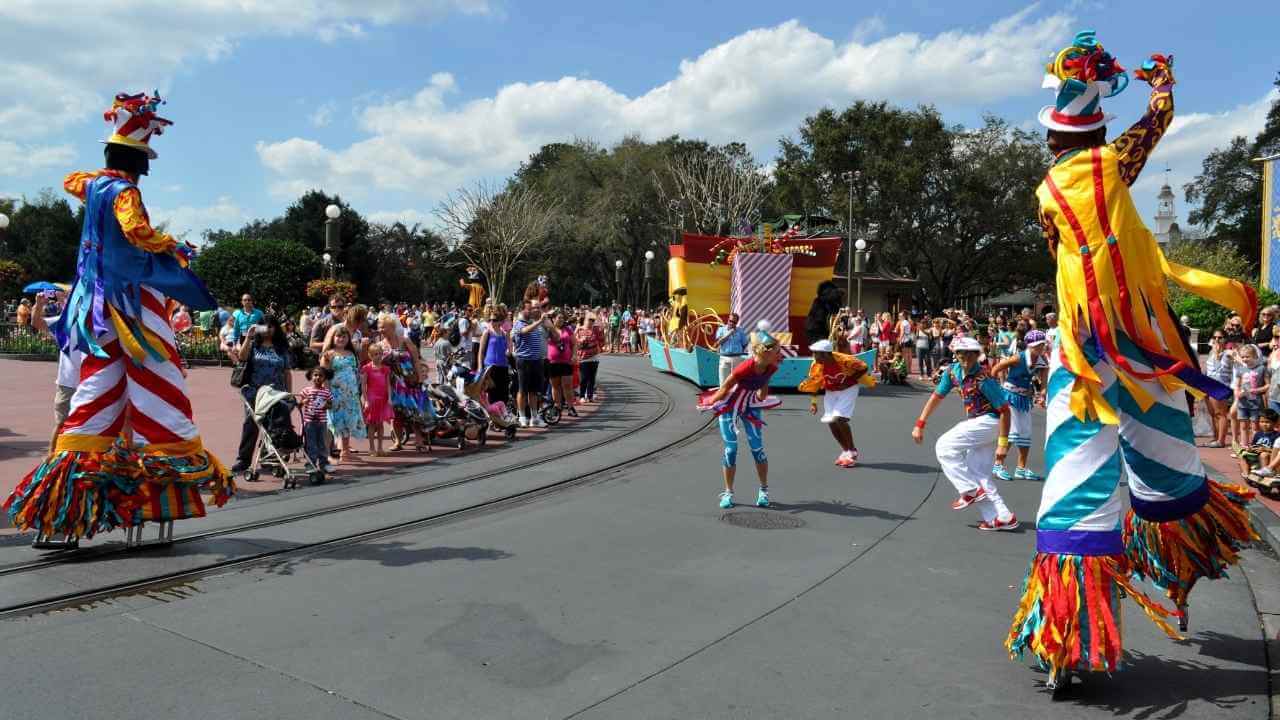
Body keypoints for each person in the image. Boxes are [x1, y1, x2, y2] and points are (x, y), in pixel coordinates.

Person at [1007, 39, 1257, 686]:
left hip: (1084, 351)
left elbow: (1059, 250)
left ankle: (1071, 619)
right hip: (1143, 342)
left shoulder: (1044, 194)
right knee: (1165, 455)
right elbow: (1156, 124)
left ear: (1052, 143)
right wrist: (1162, 86)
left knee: (1075, 476)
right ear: (1095, 132)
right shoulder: (1113, 165)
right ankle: (1177, 550)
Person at [5, 91, 233, 544]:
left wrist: (105, 167)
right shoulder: (126, 193)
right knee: (157, 389)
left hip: (94, 307)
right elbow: (137, 231)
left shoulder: (91, 185)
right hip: (130, 306)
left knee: (92, 400)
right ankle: (161, 497)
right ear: (138, 163)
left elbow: (72, 180)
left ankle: (64, 504)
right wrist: (173, 246)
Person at [911, 336, 1018, 531]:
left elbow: (1004, 410)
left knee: (944, 446)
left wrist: (1003, 444)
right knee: (978, 473)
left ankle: (968, 490)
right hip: (977, 423)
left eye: (970, 354)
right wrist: (920, 423)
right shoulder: (952, 372)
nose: (965, 358)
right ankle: (1002, 516)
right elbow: (937, 396)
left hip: (990, 422)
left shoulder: (984, 379)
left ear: (977, 355)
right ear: (956, 354)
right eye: (961, 353)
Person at [701, 329, 781, 509]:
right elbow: (724, 389)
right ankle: (728, 492)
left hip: (750, 407)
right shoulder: (744, 368)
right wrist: (709, 403)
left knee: (757, 450)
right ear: (766, 352)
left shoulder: (771, 367)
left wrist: (763, 392)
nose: (780, 355)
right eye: (777, 351)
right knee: (731, 449)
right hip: (730, 406)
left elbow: (761, 394)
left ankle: (764, 491)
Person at [799, 339, 876, 468]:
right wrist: (813, 402)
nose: (814, 356)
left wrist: (849, 380)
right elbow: (814, 383)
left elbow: (863, 367)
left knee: (839, 419)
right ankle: (846, 450)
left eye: (816, 354)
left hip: (848, 389)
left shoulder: (844, 360)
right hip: (831, 391)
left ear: (825, 354)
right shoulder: (816, 365)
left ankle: (852, 450)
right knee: (830, 421)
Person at [232, 317, 295, 473]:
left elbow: (287, 372)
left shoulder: (281, 348)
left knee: (274, 424)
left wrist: (289, 393)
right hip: (256, 391)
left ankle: (271, 458)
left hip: (276, 392)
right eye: (265, 326)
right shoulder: (254, 345)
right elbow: (242, 357)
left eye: (272, 326)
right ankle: (243, 459)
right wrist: (248, 337)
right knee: (251, 423)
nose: (268, 329)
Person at [990, 329, 1049, 481]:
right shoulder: (1018, 357)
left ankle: (1021, 468)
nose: (1040, 348)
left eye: (1042, 345)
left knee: (1026, 432)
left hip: (1024, 399)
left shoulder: (1042, 360)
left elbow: (1044, 381)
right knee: (1012, 431)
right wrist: (993, 389)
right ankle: (998, 465)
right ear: (1030, 346)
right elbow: (996, 369)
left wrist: (1042, 395)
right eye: (1037, 345)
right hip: (1009, 396)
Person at [379, 313, 433, 451]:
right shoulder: (380, 345)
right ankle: (398, 441)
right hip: (392, 384)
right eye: (379, 327)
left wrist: (420, 378)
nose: (381, 330)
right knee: (396, 413)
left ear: (392, 327)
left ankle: (419, 441)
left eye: (383, 327)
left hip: (410, 381)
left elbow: (416, 359)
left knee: (414, 411)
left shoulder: (405, 340)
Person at [321, 325, 367, 464]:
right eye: (338, 336)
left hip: (350, 394)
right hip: (335, 394)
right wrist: (327, 394)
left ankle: (345, 452)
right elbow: (324, 376)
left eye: (344, 336)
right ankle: (326, 454)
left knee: (347, 422)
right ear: (333, 338)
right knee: (333, 423)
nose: (341, 339)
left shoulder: (351, 354)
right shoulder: (328, 355)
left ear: (348, 339)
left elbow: (356, 372)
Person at [512, 304, 551, 428]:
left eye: (534, 308)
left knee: (534, 391)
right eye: (529, 309)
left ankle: (534, 418)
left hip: (536, 360)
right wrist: (540, 321)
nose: (533, 311)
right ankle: (522, 416)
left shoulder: (534, 323)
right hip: (524, 360)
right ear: (522, 310)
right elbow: (524, 331)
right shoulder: (519, 323)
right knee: (523, 390)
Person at [361, 342, 394, 457]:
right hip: (372, 399)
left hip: (383, 398)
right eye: (375, 354)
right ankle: (371, 448)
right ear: (370, 355)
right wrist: (365, 400)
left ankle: (380, 447)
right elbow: (363, 386)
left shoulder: (385, 369)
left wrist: (390, 398)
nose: (378, 356)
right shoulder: (367, 368)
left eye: (380, 354)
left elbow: (388, 385)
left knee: (380, 424)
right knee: (371, 424)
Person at [297, 367, 333, 474]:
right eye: (315, 375)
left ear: (325, 378)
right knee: (311, 444)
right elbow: (298, 405)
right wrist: (304, 401)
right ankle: (310, 464)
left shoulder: (326, 392)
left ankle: (324, 464)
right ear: (311, 376)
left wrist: (326, 405)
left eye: (320, 376)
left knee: (322, 443)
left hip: (322, 422)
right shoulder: (306, 391)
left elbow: (331, 405)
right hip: (309, 422)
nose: (317, 377)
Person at [1232, 343, 1268, 448]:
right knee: (1243, 425)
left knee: (1255, 426)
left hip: (1256, 403)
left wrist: (1256, 390)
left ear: (1255, 357)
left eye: (1247, 357)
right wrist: (1237, 393)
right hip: (1243, 403)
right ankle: (1244, 447)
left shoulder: (1261, 368)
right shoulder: (1240, 369)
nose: (1244, 359)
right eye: (1242, 357)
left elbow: (1267, 385)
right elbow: (1237, 385)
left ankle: (1255, 447)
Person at [1203, 331, 1235, 448]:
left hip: (1220, 386)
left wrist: (1218, 355)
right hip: (1209, 384)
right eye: (1214, 337)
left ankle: (1221, 440)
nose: (1217, 340)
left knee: (1220, 413)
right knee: (1213, 414)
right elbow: (1208, 370)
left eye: (1220, 337)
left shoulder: (1228, 353)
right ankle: (1215, 438)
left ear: (1225, 339)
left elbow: (1237, 360)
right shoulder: (1211, 352)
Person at [478, 307, 511, 407]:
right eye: (490, 320)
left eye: (495, 320)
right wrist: (480, 368)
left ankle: (501, 419)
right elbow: (481, 352)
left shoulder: (505, 334)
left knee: (504, 395)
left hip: (503, 367)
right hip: (490, 368)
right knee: (492, 395)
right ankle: (492, 419)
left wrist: (509, 351)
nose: (492, 322)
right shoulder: (487, 333)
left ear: (500, 321)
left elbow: (509, 349)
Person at [546, 310, 577, 417]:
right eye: (559, 318)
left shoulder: (568, 330)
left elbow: (574, 343)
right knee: (555, 386)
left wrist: (574, 355)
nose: (561, 320)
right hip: (552, 362)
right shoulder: (548, 330)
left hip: (566, 362)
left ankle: (570, 407)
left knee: (567, 385)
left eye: (562, 318)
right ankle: (557, 407)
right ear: (553, 319)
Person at [1237, 408, 1280, 480]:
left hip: (1268, 455)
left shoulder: (1276, 435)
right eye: (1262, 422)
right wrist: (1250, 448)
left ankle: (1265, 474)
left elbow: (1276, 452)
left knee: (1264, 455)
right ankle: (1246, 475)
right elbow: (1254, 444)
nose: (1264, 424)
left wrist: (1266, 449)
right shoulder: (1258, 434)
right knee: (1242, 456)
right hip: (1255, 454)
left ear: (1275, 423)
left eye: (1267, 422)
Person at [713, 313, 750, 384]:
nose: (731, 323)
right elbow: (718, 342)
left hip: (737, 358)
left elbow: (745, 344)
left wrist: (739, 352)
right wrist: (729, 333)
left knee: (736, 382)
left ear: (737, 322)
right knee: (723, 382)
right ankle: (724, 395)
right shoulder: (721, 329)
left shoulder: (740, 331)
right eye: (730, 321)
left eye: (734, 322)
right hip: (724, 357)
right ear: (728, 320)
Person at [575, 314, 604, 403]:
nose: (591, 321)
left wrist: (602, 331)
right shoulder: (580, 329)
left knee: (592, 378)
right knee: (584, 378)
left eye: (592, 320)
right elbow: (574, 342)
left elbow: (602, 341)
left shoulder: (596, 330)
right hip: (583, 357)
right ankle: (582, 396)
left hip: (594, 357)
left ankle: (590, 395)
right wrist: (581, 341)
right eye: (589, 319)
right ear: (585, 320)